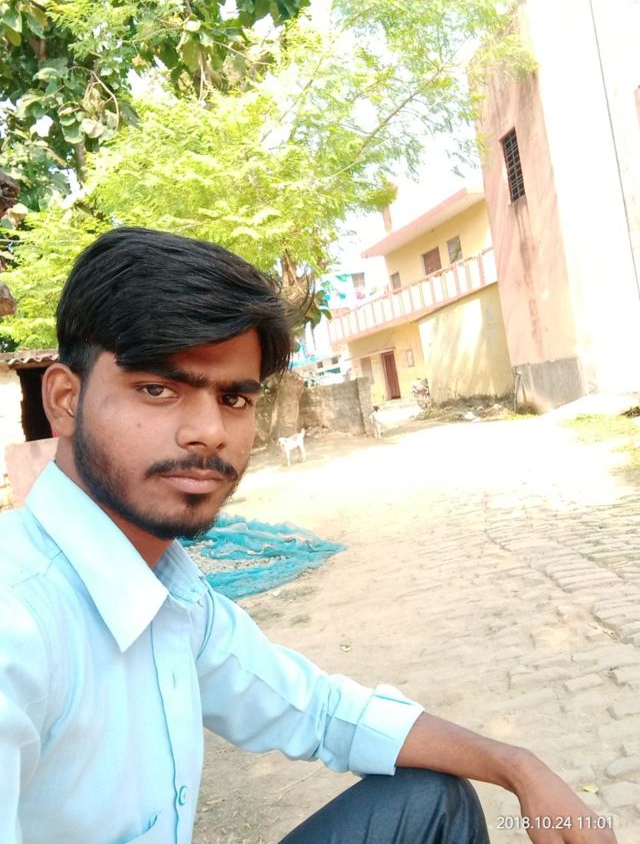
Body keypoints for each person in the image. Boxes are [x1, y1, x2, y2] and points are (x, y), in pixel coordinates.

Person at [0, 228, 616, 844]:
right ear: (65, 399)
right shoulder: (19, 624)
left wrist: (518, 767)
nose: (209, 432)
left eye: (234, 398)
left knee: (433, 800)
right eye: (158, 389)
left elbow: (317, 710)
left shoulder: (168, 592)